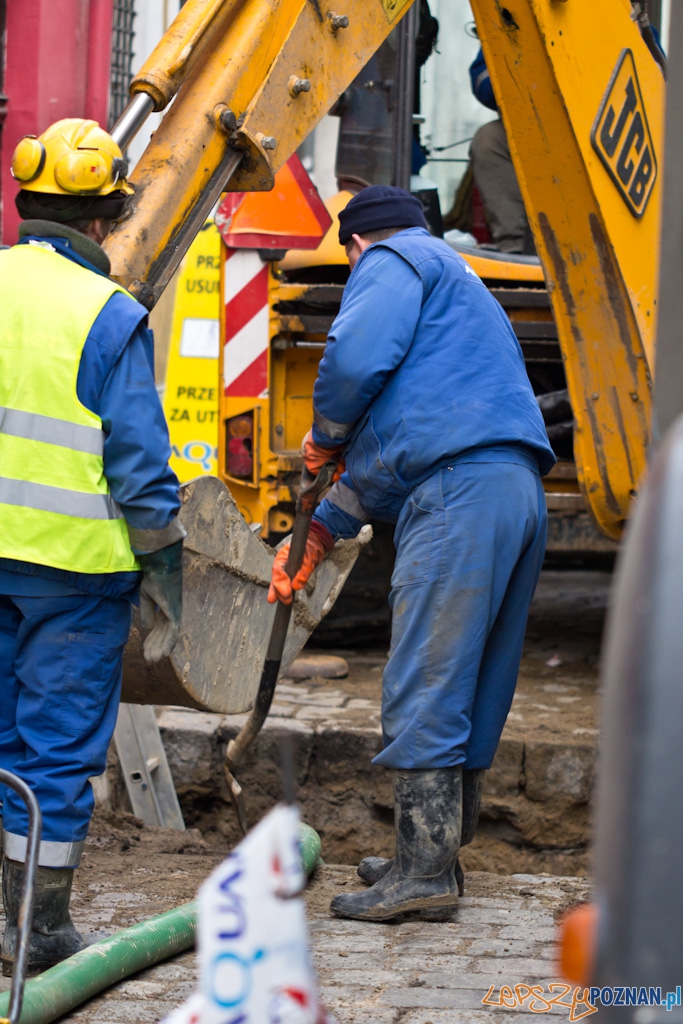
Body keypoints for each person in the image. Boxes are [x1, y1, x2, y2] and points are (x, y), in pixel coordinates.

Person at [268, 185, 555, 922]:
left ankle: (422, 873)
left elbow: (355, 358)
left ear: (356, 245)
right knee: (472, 675)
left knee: (427, 671)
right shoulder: (457, 283)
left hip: (458, 492)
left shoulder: (394, 257)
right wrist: (324, 529)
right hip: (509, 488)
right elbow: (402, 441)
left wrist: (326, 432)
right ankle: (430, 854)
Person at [0, 118, 184, 974]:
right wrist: (165, 564)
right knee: (55, 750)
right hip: (74, 576)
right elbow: (141, 465)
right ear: (105, 219)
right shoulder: (109, 315)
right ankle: (35, 931)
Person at [468, 48, 532, 255]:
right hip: (529, 123)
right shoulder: (512, 19)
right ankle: (515, 246)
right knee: (489, 139)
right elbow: (482, 82)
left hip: (591, 121)